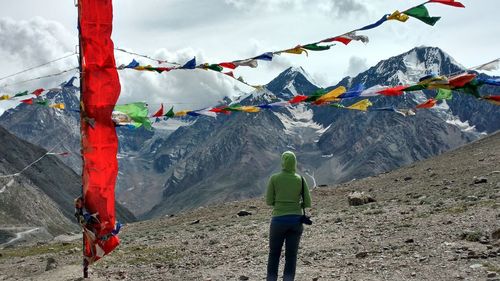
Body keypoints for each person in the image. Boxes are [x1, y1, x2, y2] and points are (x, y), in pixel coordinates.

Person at [265, 151, 312, 281]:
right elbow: (308, 202)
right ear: (294, 163)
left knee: (274, 253)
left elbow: (269, 201)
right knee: (291, 255)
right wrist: (296, 205)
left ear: (283, 162)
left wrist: (280, 204)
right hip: (296, 221)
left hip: (278, 221)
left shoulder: (274, 178)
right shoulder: (300, 179)